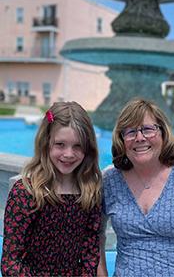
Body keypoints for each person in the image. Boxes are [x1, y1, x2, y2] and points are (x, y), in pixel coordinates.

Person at [97, 98, 174, 277]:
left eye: (147, 129)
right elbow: (95, 236)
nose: (139, 138)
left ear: (163, 133)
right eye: (130, 132)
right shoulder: (110, 181)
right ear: (121, 139)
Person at [1, 101, 102, 276]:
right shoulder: (26, 192)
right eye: (60, 144)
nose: (68, 154)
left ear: (88, 148)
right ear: (46, 143)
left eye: (77, 146)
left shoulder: (89, 192)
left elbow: (90, 253)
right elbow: (11, 261)